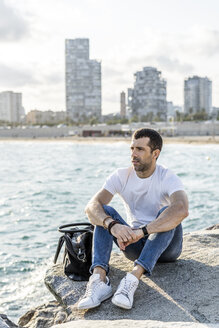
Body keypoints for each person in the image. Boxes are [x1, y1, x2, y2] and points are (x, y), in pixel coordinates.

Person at [77, 128, 189, 310]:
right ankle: (99, 280)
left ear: (155, 153)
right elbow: (91, 207)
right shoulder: (121, 175)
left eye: (140, 149)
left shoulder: (167, 177)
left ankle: (132, 279)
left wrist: (142, 231)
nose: (133, 154)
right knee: (104, 211)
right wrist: (112, 225)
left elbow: (182, 209)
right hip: (134, 247)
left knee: (169, 212)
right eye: (132, 148)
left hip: (167, 248)